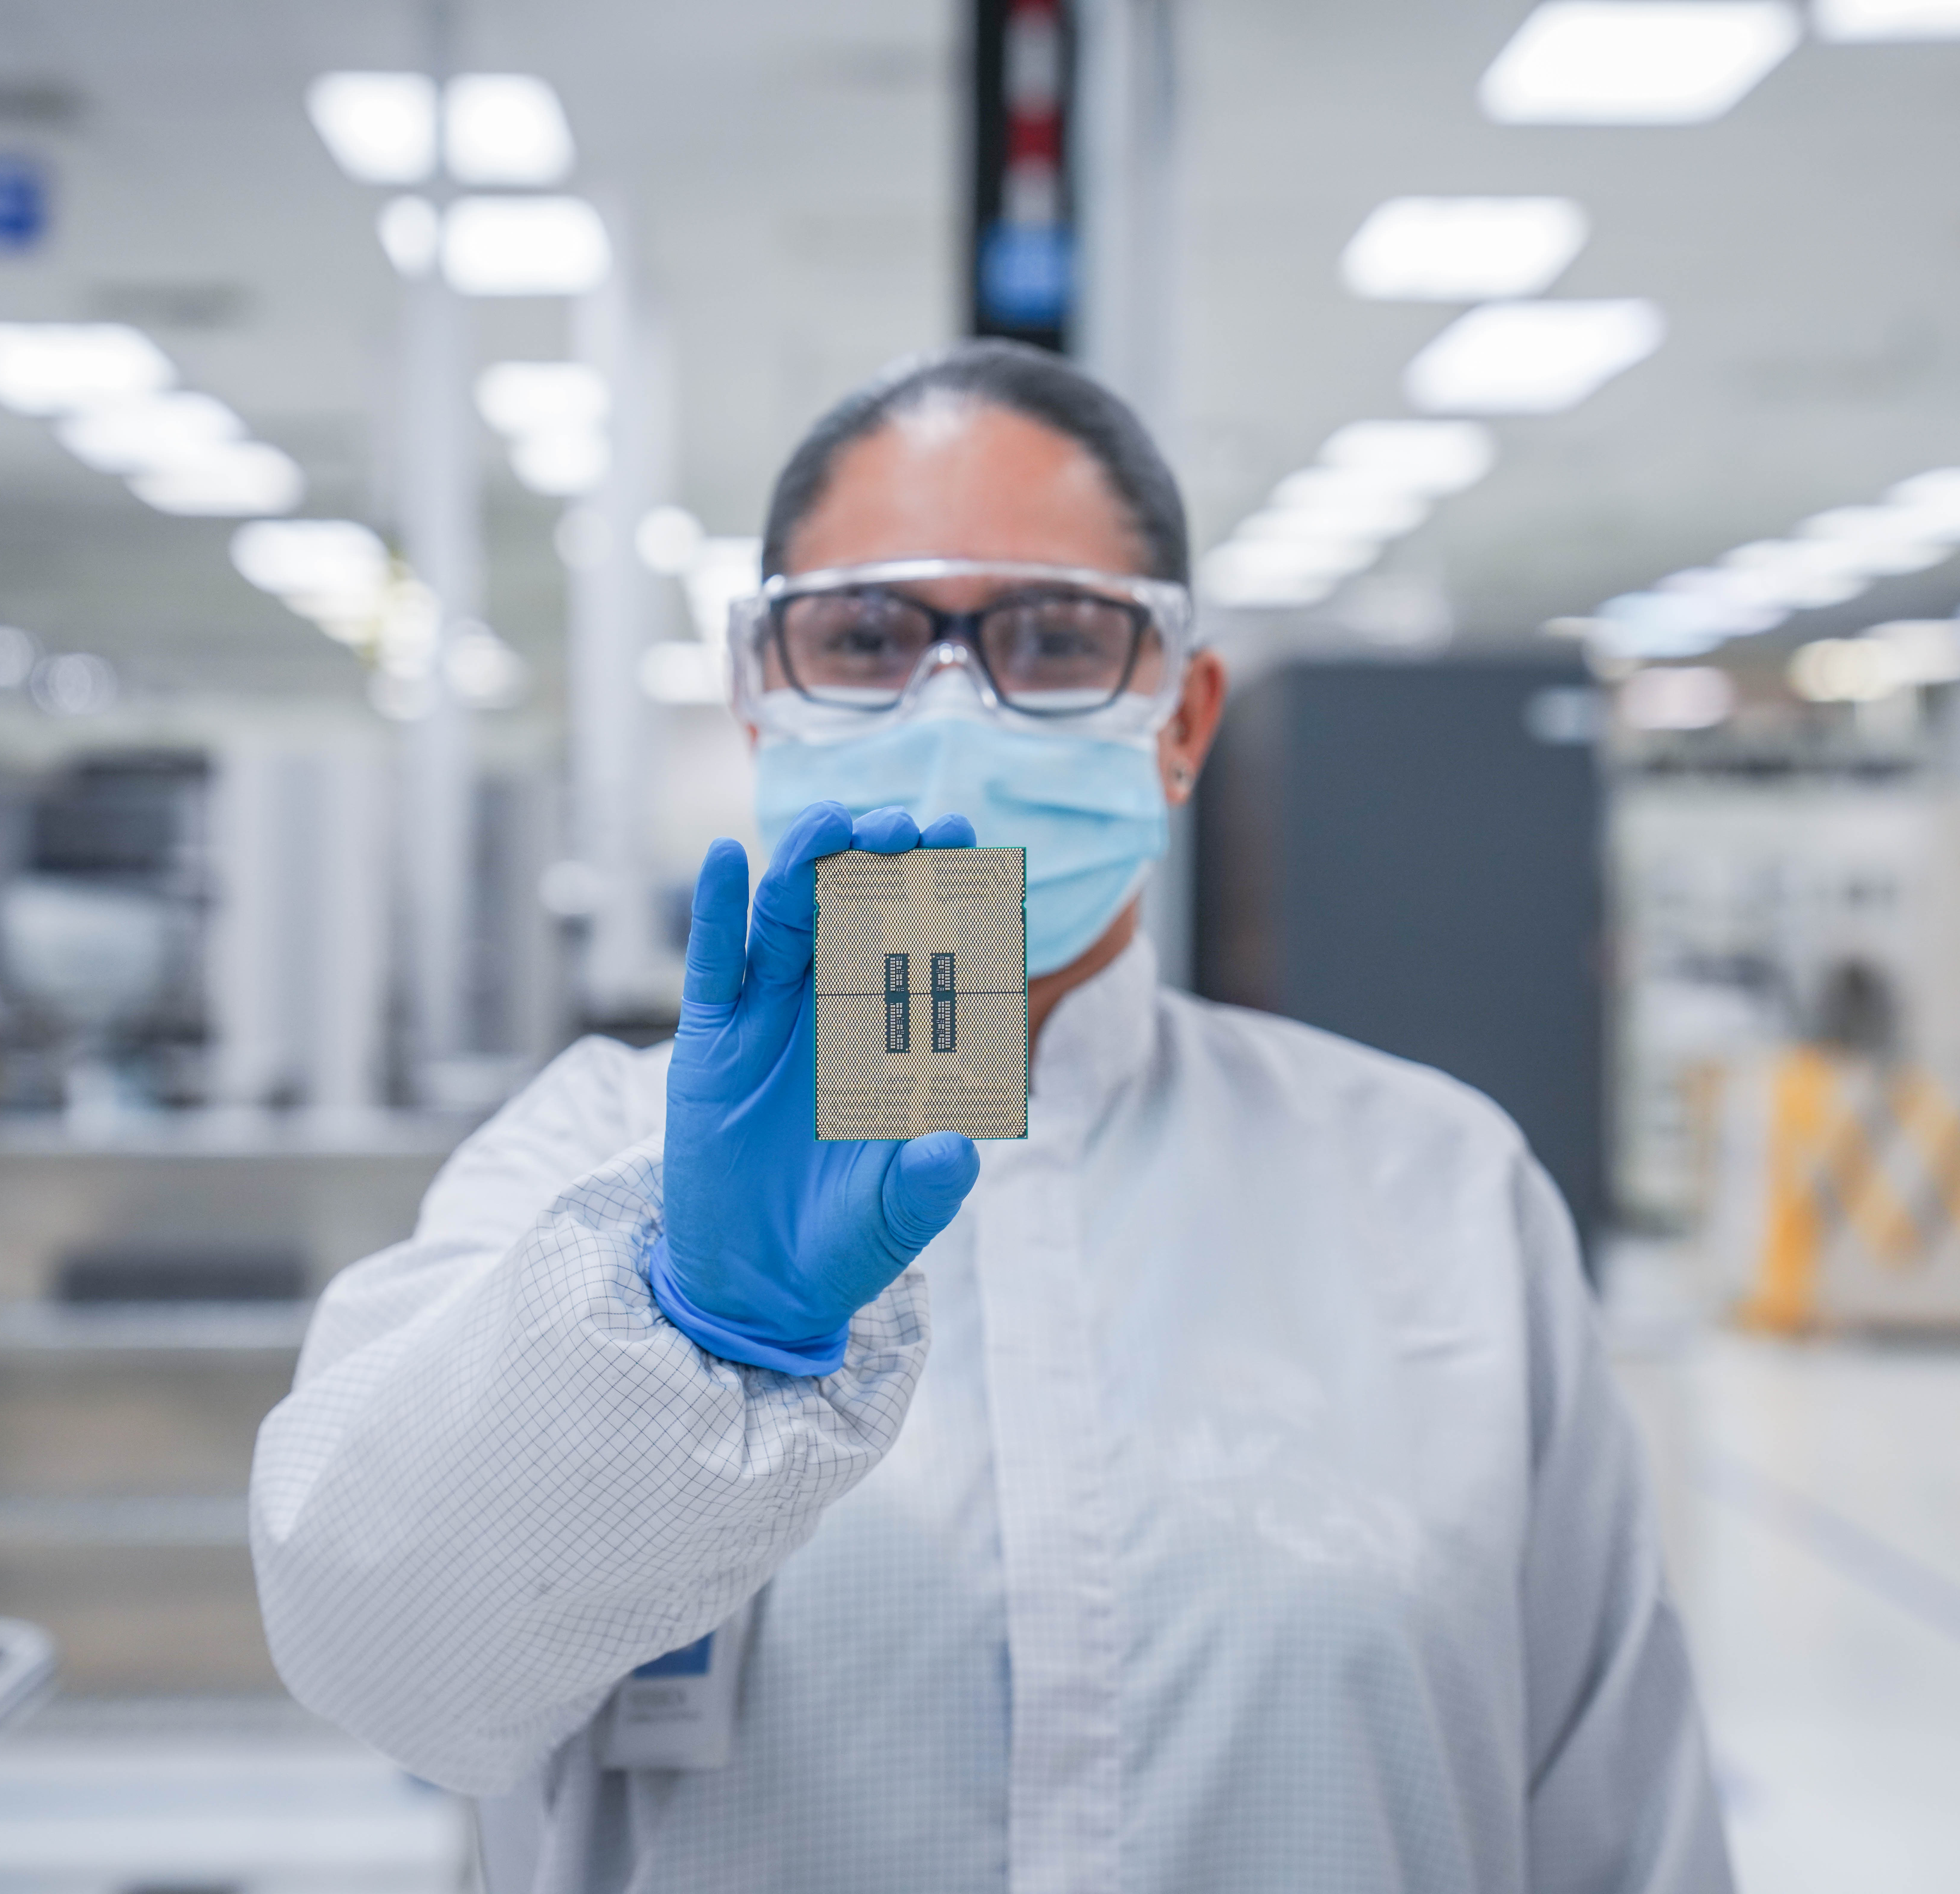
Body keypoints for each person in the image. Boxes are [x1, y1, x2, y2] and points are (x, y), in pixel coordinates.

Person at [251, 340, 1733, 1893]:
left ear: (1181, 716)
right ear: (765, 700)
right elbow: (382, 1663)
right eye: (870, 635)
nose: (953, 705)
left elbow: (1619, 1818)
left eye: (1049, 638)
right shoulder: (582, 1169)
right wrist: (681, 1332)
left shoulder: (1435, 1189)